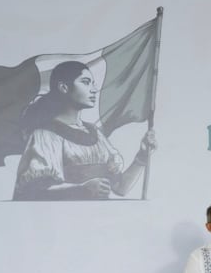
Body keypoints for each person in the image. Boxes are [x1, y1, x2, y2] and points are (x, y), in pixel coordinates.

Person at [13, 60, 155, 200]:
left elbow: (120, 187)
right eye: (86, 82)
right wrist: (81, 190)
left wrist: (142, 156)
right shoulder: (45, 134)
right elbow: (31, 193)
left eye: (93, 83)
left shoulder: (95, 132)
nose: (93, 89)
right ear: (64, 87)